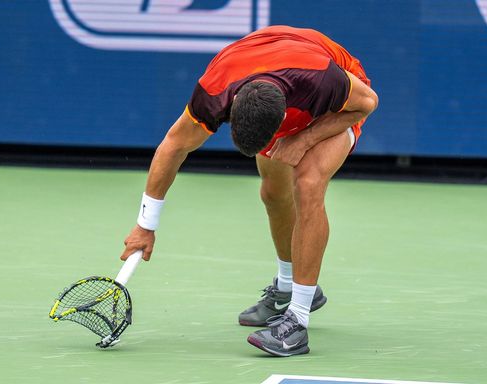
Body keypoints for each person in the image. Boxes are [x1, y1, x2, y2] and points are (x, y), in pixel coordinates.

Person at [120, 25, 378, 357]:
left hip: (335, 102)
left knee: (308, 183)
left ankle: (296, 323)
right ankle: (288, 287)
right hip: (269, 72)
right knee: (273, 192)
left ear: (284, 117)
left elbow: (367, 103)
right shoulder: (215, 91)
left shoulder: (324, 80)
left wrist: (304, 139)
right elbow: (174, 146)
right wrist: (145, 226)